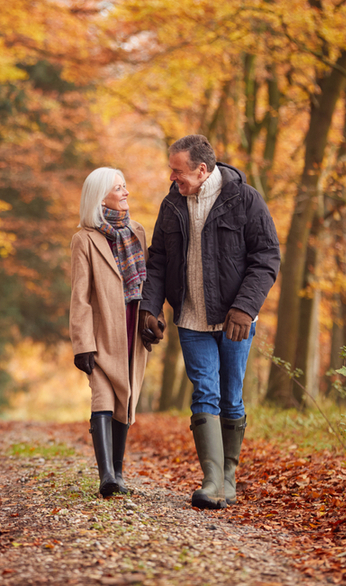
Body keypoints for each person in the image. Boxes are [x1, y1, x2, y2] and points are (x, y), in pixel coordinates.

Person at [140, 135, 280, 509]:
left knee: (231, 395)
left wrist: (245, 307)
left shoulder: (245, 200)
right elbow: (157, 261)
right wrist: (149, 308)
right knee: (204, 391)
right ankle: (212, 479)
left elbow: (267, 257)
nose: (172, 177)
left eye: (178, 170)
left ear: (202, 170)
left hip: (235, 320)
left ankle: (229, 478)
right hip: (190, 318)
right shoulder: (171, 204)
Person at [70, 167, 160, 497]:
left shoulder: (137, 231)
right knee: (103, 396)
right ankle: (107, 475)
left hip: (133, 327)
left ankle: (119, 473)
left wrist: (154, 317)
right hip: (103, 331)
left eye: (125, 186)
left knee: (127, 398)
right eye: (118, 188)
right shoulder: (84, 240)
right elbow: (80, 296)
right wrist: (82, 344)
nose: (125, 192)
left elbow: (148, 283)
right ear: (100, 197)